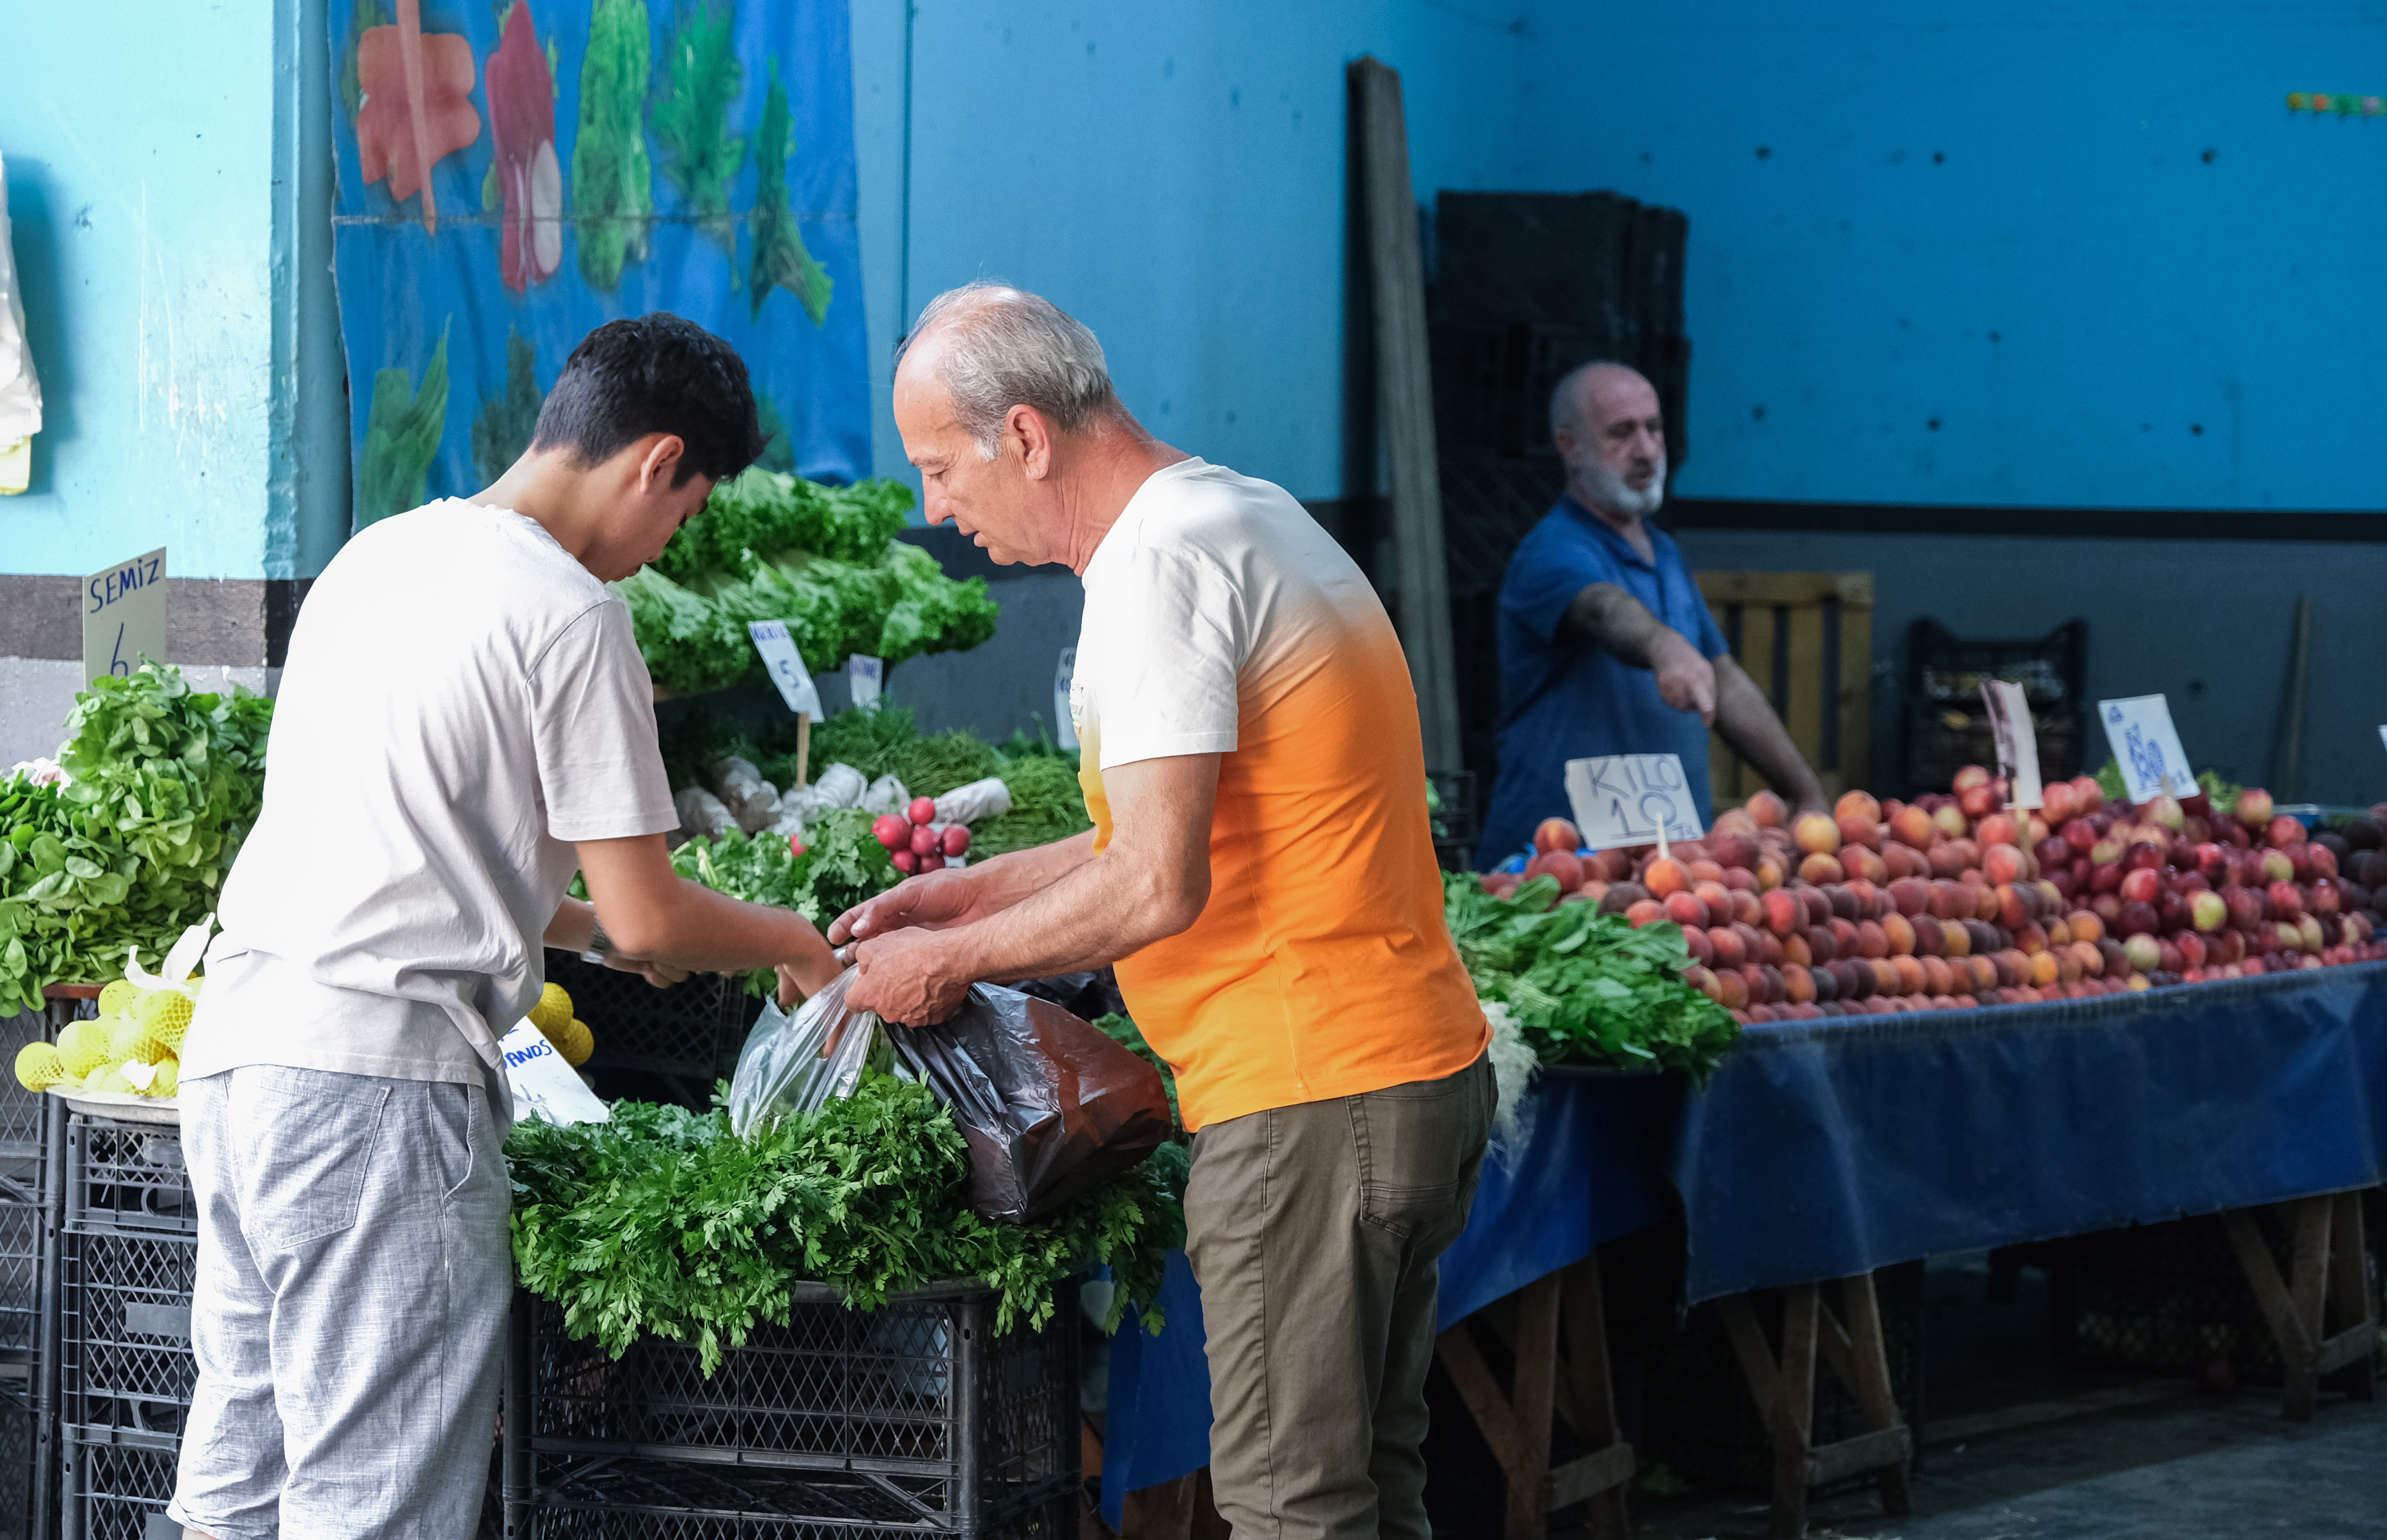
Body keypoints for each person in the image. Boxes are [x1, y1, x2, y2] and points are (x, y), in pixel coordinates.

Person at [831, 282, 1493, 1540]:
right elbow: (1169, 828)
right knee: (1371, 1485)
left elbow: (1154, 885)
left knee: (1291, 1508)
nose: (935, 511)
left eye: (937, 468)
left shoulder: (1155, 566)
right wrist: (967, 888)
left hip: (1308, 1090)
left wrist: (951, 961)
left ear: (1023, 436)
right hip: (1403, 1068)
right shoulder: (1240, 514)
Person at [168, 315, 843, 1540]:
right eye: (683, 515)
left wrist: (565, 925)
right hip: (377, 1092)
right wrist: (796, 941)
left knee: (239, 1484)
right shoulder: (572, 615)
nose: (661, 547)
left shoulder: (373, 559)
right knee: (368, 1504)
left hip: (237, 1058)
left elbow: (422, 850)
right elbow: (650, 922)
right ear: (657, 463)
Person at [1476, 361, 1828, 864]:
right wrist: (1663, 647)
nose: (1645, 449)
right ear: (1569, 446)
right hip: (1555, 868)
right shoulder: (1552, 551)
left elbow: (1723, 679)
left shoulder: (1663, 553)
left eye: (1653, 428)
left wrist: (1805, 792)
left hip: (1665, 865)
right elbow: (1602, 609)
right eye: (1621, 433)